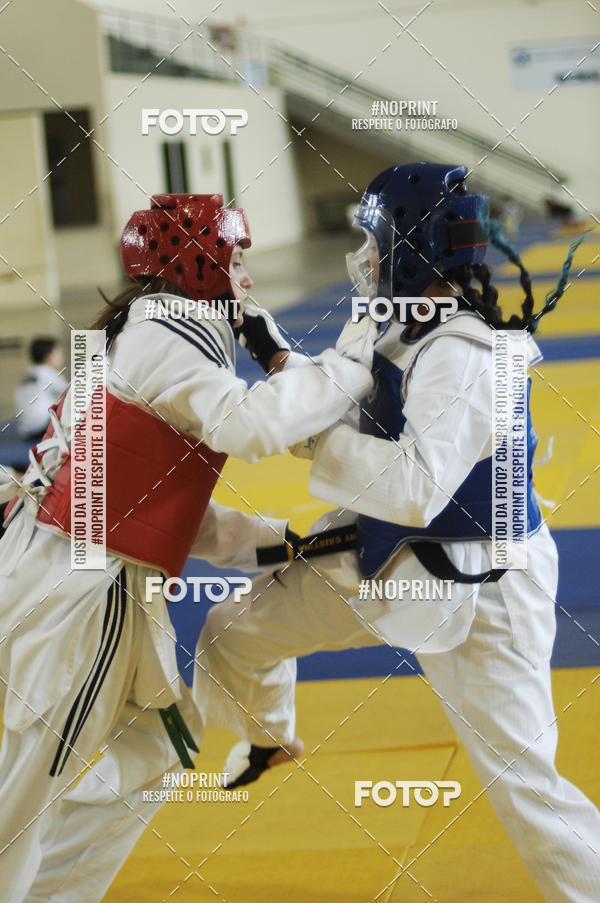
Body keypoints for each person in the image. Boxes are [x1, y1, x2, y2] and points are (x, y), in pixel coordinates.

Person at [194, 166, 600, 902]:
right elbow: (342, 397)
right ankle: (270, 732)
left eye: (374, 240)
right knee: (233, 627)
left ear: (410, 245)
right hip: (395, 554)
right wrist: (262, 340)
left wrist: (313, 445)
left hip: (482, 585)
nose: (366, 255)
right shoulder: (403, 319)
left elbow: (414, 485)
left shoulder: (464, 353)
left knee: (526, 786)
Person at [0, 191, 377, 903]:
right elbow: (252, 426)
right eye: (237, 260)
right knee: (26, 790)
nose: (248, 278)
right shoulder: (164, 339)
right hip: (84, 593)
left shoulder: (147, 333)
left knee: (157, 748)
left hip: (77, 565)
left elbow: (154, 505)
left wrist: (279, 545)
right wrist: (336, 367)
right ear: (199, 266)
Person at [14, 336, 68, 442]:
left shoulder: (29, 373)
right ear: (48, 356)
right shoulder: (48, 373)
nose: (62, 357)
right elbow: (74, 393)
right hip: (41, 426)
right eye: (59, 354)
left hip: (25, 428)